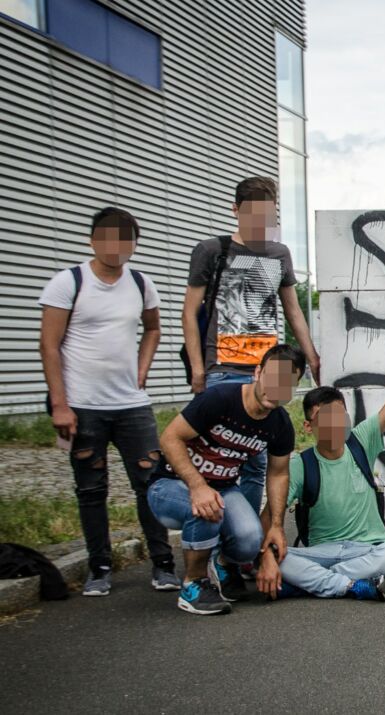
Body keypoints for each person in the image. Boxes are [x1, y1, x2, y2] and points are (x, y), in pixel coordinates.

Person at [37, 207, 177, 596]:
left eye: (125, 238)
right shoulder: (68, 283)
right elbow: (48, 346)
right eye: (108, 237)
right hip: (82, 405)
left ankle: (163, 565)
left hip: (132, 404)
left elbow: (153, 328)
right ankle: (99, 568)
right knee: (91, 489)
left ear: (133, 243)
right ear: (92, 240)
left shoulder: (140, 283)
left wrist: (142, 368)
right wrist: (60, 404)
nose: (116, 246)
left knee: (151, 483)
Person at [271, 322, 385, 602]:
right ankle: (350, 585)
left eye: (338, 415)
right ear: (308, 427)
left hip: (367, 551)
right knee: (273, 555)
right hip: (321, 552)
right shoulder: (300, 464)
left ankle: (317, 583)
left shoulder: (361, 441)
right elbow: (274, 513)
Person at [181, 177, 320, 519]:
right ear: (236, 211)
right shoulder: (212, 251)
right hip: (223, 370)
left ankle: (242, 549)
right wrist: (199, 368)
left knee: (257, 464)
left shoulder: (279, 254)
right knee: (218, 462)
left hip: (266, 372)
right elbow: (189, 311)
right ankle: (218, 537)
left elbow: (293, 309)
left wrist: (312, 355)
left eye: (270, 215)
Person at [148, 345, 303, 615]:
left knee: (249, 539)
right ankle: (193, 584)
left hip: (223, 489)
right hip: (169, 486)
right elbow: (170, 438)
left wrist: (276, 525)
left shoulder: (280, 423)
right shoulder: (220, 398)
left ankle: (220, 563)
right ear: (257, 372)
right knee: (210, 507)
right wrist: (197, 487)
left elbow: (278, 472)